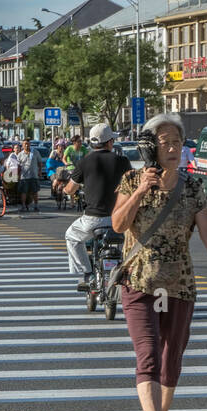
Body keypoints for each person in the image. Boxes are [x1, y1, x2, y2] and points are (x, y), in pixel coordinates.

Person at [109, 113, 207, 411]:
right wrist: (140, 192)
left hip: (178, 284)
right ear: (151, 148)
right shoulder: (132, 180)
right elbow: (118, 224)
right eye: (165, 143)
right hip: (140, 281)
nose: (173, 148)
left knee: (171, 354)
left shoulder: (191, 187)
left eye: (177, 142)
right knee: (147, 353)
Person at [63, 123, 131, 291]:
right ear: (109, 142)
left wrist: (66, 190)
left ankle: (87, 274)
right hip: (118, 219)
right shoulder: (122, 161)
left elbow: (70, 189)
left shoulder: (84, 162)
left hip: (92, 219)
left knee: (71, 237)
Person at [15, 137, 42, 212]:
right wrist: (17, 175)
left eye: (28, 144)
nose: (27, 145)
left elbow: (39, 162)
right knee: (24, 192)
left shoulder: (35, 152)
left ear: (30, 144)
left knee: (35, 191)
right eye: (25, 144)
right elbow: (18, 166)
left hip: (34, 175)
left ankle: (36, 205)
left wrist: (39, 171)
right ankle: (23, 205)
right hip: (24, 176)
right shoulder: (20, 154)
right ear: (22, 146)